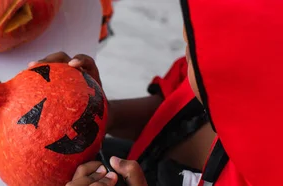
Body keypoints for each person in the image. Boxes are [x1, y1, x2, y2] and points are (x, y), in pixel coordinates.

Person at [30, 0, 283, 185]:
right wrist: (101, 112)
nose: (186, 33)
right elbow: (169, 107)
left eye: (197, 42)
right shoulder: (213, 80)